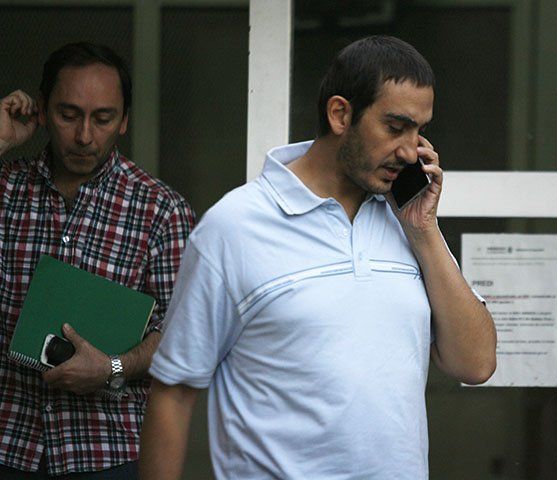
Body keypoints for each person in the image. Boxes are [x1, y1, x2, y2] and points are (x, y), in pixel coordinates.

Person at [140, 35, 496, 480]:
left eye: (419, 131)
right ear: (340, 114)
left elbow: (475, 363)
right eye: (395, 127)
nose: (411, 151)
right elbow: (174, 392)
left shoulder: (408, 223)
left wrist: (424, 232)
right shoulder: (235, 227)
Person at [0, 42, 195, 478]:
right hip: (8, 442)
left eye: (103, 118)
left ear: (123, 120)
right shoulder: (6, 189)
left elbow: (182, 335)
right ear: (42, 111)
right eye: (68, 115)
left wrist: (112, 368)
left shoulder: (161, 211)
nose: (85, 136)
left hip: (107, 453)